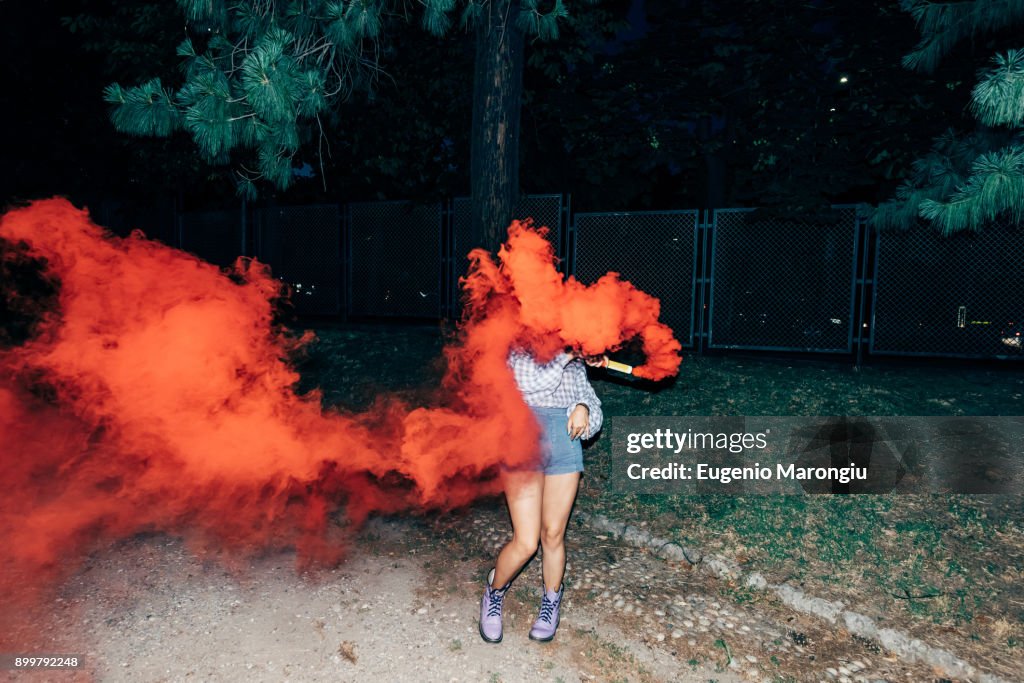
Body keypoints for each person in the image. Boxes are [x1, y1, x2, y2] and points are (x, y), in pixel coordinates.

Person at [479, 348, 605, 644]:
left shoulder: (575, 365)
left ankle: (551, 602)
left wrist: (584, 409)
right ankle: (494, 591)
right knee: (525, 541)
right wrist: (568, 355)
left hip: (564, 443)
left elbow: (595, 412)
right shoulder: (518, 348)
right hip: (521, 436)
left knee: (553, 534)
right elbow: (531, 386)